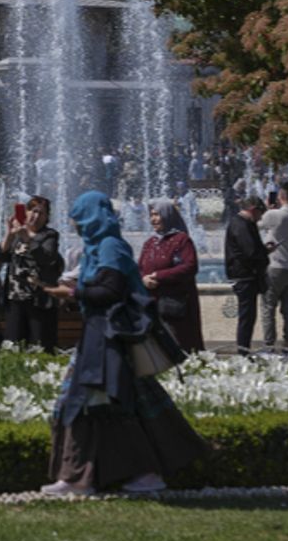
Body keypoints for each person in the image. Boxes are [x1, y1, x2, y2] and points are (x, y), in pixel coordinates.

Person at [40, 191, 207, 496]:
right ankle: (84, 476)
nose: (75, 223)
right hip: (99, 337)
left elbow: (111, 291)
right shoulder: (97, 248)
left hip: (111, 340)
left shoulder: (110, 247)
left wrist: (72, 294)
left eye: (79, 217)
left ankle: (99, 476)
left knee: (93, 405)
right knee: (102, 405)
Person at [137, 198, 205, 352]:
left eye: (157, 215)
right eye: (151, 215)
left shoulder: (181, 240)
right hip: (153, 303)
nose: (153, 219)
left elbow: (189, 266)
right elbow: (140, 267)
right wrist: (143, 279)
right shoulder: (150, 243)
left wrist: (158, 276)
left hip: (175, 305)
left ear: (167, 216)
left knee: (179, 345)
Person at [0, 196, 64, 351]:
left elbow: (47, 258)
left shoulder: (49, 235)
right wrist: (9, 233)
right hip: (15, 297)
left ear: (47, 217)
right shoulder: (18, 234)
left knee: (39, 345)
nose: (35, 216)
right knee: (12, 345)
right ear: (26, 212)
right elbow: (2, 255)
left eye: (41, 213)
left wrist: (27, 238)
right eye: (32, 211)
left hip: (38, 299)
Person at [258, 181, 288, 349]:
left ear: (280, 196)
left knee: (268, 307)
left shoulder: (273, 215)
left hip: (275, 265)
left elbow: (256, 226)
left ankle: (269, 345)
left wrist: (267, 209)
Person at [224, 196, 269, 352]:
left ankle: (244, 349)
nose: (261, 217)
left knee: (249, 317)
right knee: (247, 317)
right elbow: (251, 252)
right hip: (244, 277)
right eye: (260, 213)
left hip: (245, 276)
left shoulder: (244, 223)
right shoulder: (241, 225)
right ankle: (243, 351)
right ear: (253, 210)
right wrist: (265, 253)